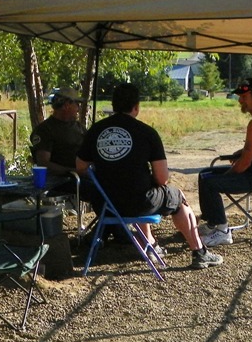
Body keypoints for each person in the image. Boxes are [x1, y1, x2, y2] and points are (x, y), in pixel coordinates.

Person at [76, 83, 223, 270]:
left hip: (105, 205)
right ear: (136, 107)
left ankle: (150, 244)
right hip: (139, 204)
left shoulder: (96, 131)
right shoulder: (146, 133)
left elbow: (80, 167)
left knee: (144, 191)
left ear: (113, 106)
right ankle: (199, 252)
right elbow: (162, 179)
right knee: (176, 197)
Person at [198, 77, 252, 247]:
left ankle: (223, 232)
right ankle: (212, 223)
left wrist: (225, 176)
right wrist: (241, 153)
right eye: (240, 97)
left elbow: (244, 164)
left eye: (244, 97)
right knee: (204, 175)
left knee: (211, 183)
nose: (240, 101)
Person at [30, 87, 86, 175]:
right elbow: (43, 163)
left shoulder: (80, 127)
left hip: (85, 177)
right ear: (66, 105)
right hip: (61, 183)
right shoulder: (45, 129)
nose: (78, 109)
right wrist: (72, 172)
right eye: (77, 104)